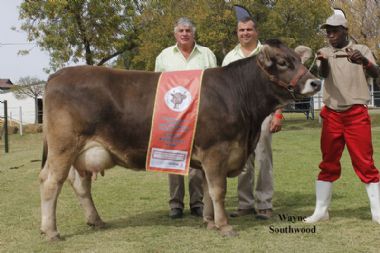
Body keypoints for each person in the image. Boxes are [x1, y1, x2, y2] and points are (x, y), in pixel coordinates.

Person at [304, 13, 380, 224]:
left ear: (345, 30)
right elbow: (324, 75)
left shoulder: (362, 49)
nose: (330, 35)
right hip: (332, 114)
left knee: (365, 162)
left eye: (334, 30)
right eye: (328, 31)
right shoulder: (324, 52)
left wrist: (363, 61)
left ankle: (377, 212)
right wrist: (323, 62)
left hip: (356, 112)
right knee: (328, 162)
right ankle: (321, 212)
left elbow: (376, 73)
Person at [155, 17, 217, 219]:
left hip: (200, 115)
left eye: (188, 30)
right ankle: (175, 204)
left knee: (198, 161)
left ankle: (197, 203)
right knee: (173, 160)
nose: (184, 33)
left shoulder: (207, 54)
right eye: (181, 30)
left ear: (193, 33)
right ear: (175, 33)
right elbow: (156, 87)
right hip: (172, 116)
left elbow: (215, 84)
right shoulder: (164, 56)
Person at [222, 15, 283, 220]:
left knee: (263, 156)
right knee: (242, 159)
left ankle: (264, 203)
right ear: (237, 33)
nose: (245, 33)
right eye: (241, 30)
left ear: (256, 32)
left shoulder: (268, 53)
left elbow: (279, 85)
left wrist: (278, 113)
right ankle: (245, 204)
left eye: (249, 29)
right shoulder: (230, 57)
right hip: (239, 117)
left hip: (264, 113)